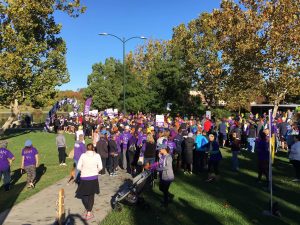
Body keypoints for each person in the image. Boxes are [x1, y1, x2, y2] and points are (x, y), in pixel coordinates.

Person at [76, 143, 102, 220]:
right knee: (91, 195)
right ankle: (89, 211)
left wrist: (83, 170)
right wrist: (95, 171)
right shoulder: (97, 155)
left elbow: (78, 167)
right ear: (93, 149)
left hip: (84, 177)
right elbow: (100, 167)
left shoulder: (83, 155)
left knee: (84, 194)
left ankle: (88, 210)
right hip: (93, 177)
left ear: (86, 149)